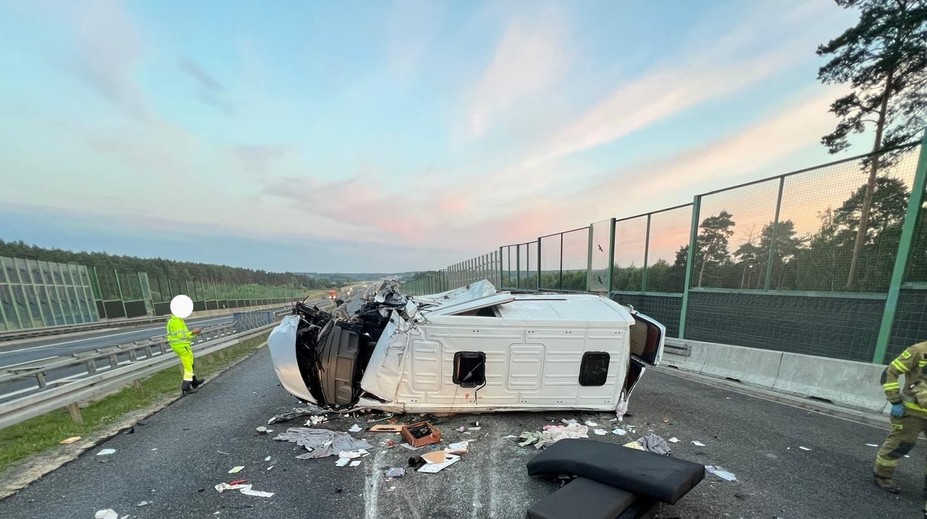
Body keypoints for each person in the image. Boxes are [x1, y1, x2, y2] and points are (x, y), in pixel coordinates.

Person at [874, 340, 927, 493]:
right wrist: (895, 401)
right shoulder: (918, 350)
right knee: (901, 444)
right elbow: (890, 372)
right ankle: (882, 475)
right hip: (911, 413)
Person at [167, 295, 204, 396]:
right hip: (182, 346)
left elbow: (183, 336)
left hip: (180, 345)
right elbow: (182, 335)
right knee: (188, 366)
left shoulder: (174, 320)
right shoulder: (176, 321)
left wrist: (194, 334)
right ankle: (186, 387)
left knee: (190, 362)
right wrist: (192, 332)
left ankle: (194, 381)